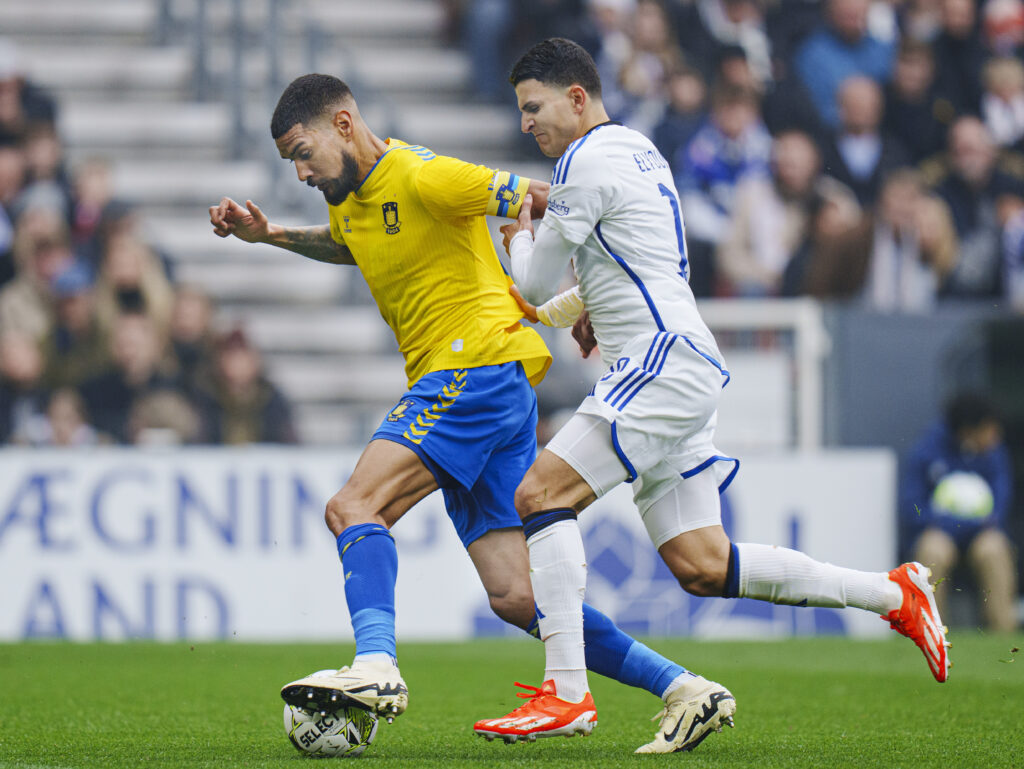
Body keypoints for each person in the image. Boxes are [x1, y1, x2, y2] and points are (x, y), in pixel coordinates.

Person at [209, 73, 720, 751]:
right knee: (513, 593)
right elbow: (348, 243)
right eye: (289, 162)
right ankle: (683, 687)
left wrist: (592, 294)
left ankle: (377, 666)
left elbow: (550, 199)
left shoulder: (426, 175)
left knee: (355, 507)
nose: (300, 170)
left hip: (471, 370)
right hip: (491, 388)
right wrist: (271, 235)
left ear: (342, 124)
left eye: (303, 152)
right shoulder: (348, 200)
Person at [476, 37, 951, 750]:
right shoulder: (641, 150)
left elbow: (535, 283)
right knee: (703, 563)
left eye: (533, 107)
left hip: (659, 361)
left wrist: (517, 235)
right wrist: (587, 310)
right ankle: (895, 593)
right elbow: (634, 265)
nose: (526, 124)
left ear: (577, 97)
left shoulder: (583, 158)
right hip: (682, 357)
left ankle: (566, 692)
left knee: (539, 495)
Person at [899, 393, 1018, 632]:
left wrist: (976, 523)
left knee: (994, 550)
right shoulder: (927, 450)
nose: (995, 436)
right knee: (932, 551)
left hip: (982, 532)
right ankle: (931, 634)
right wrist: (944, 522)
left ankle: (1004, 636)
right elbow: (911, 506)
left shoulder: (995, 453)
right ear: (968, 430)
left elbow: (1002, 503)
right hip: (937, 530)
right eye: (989, 429)